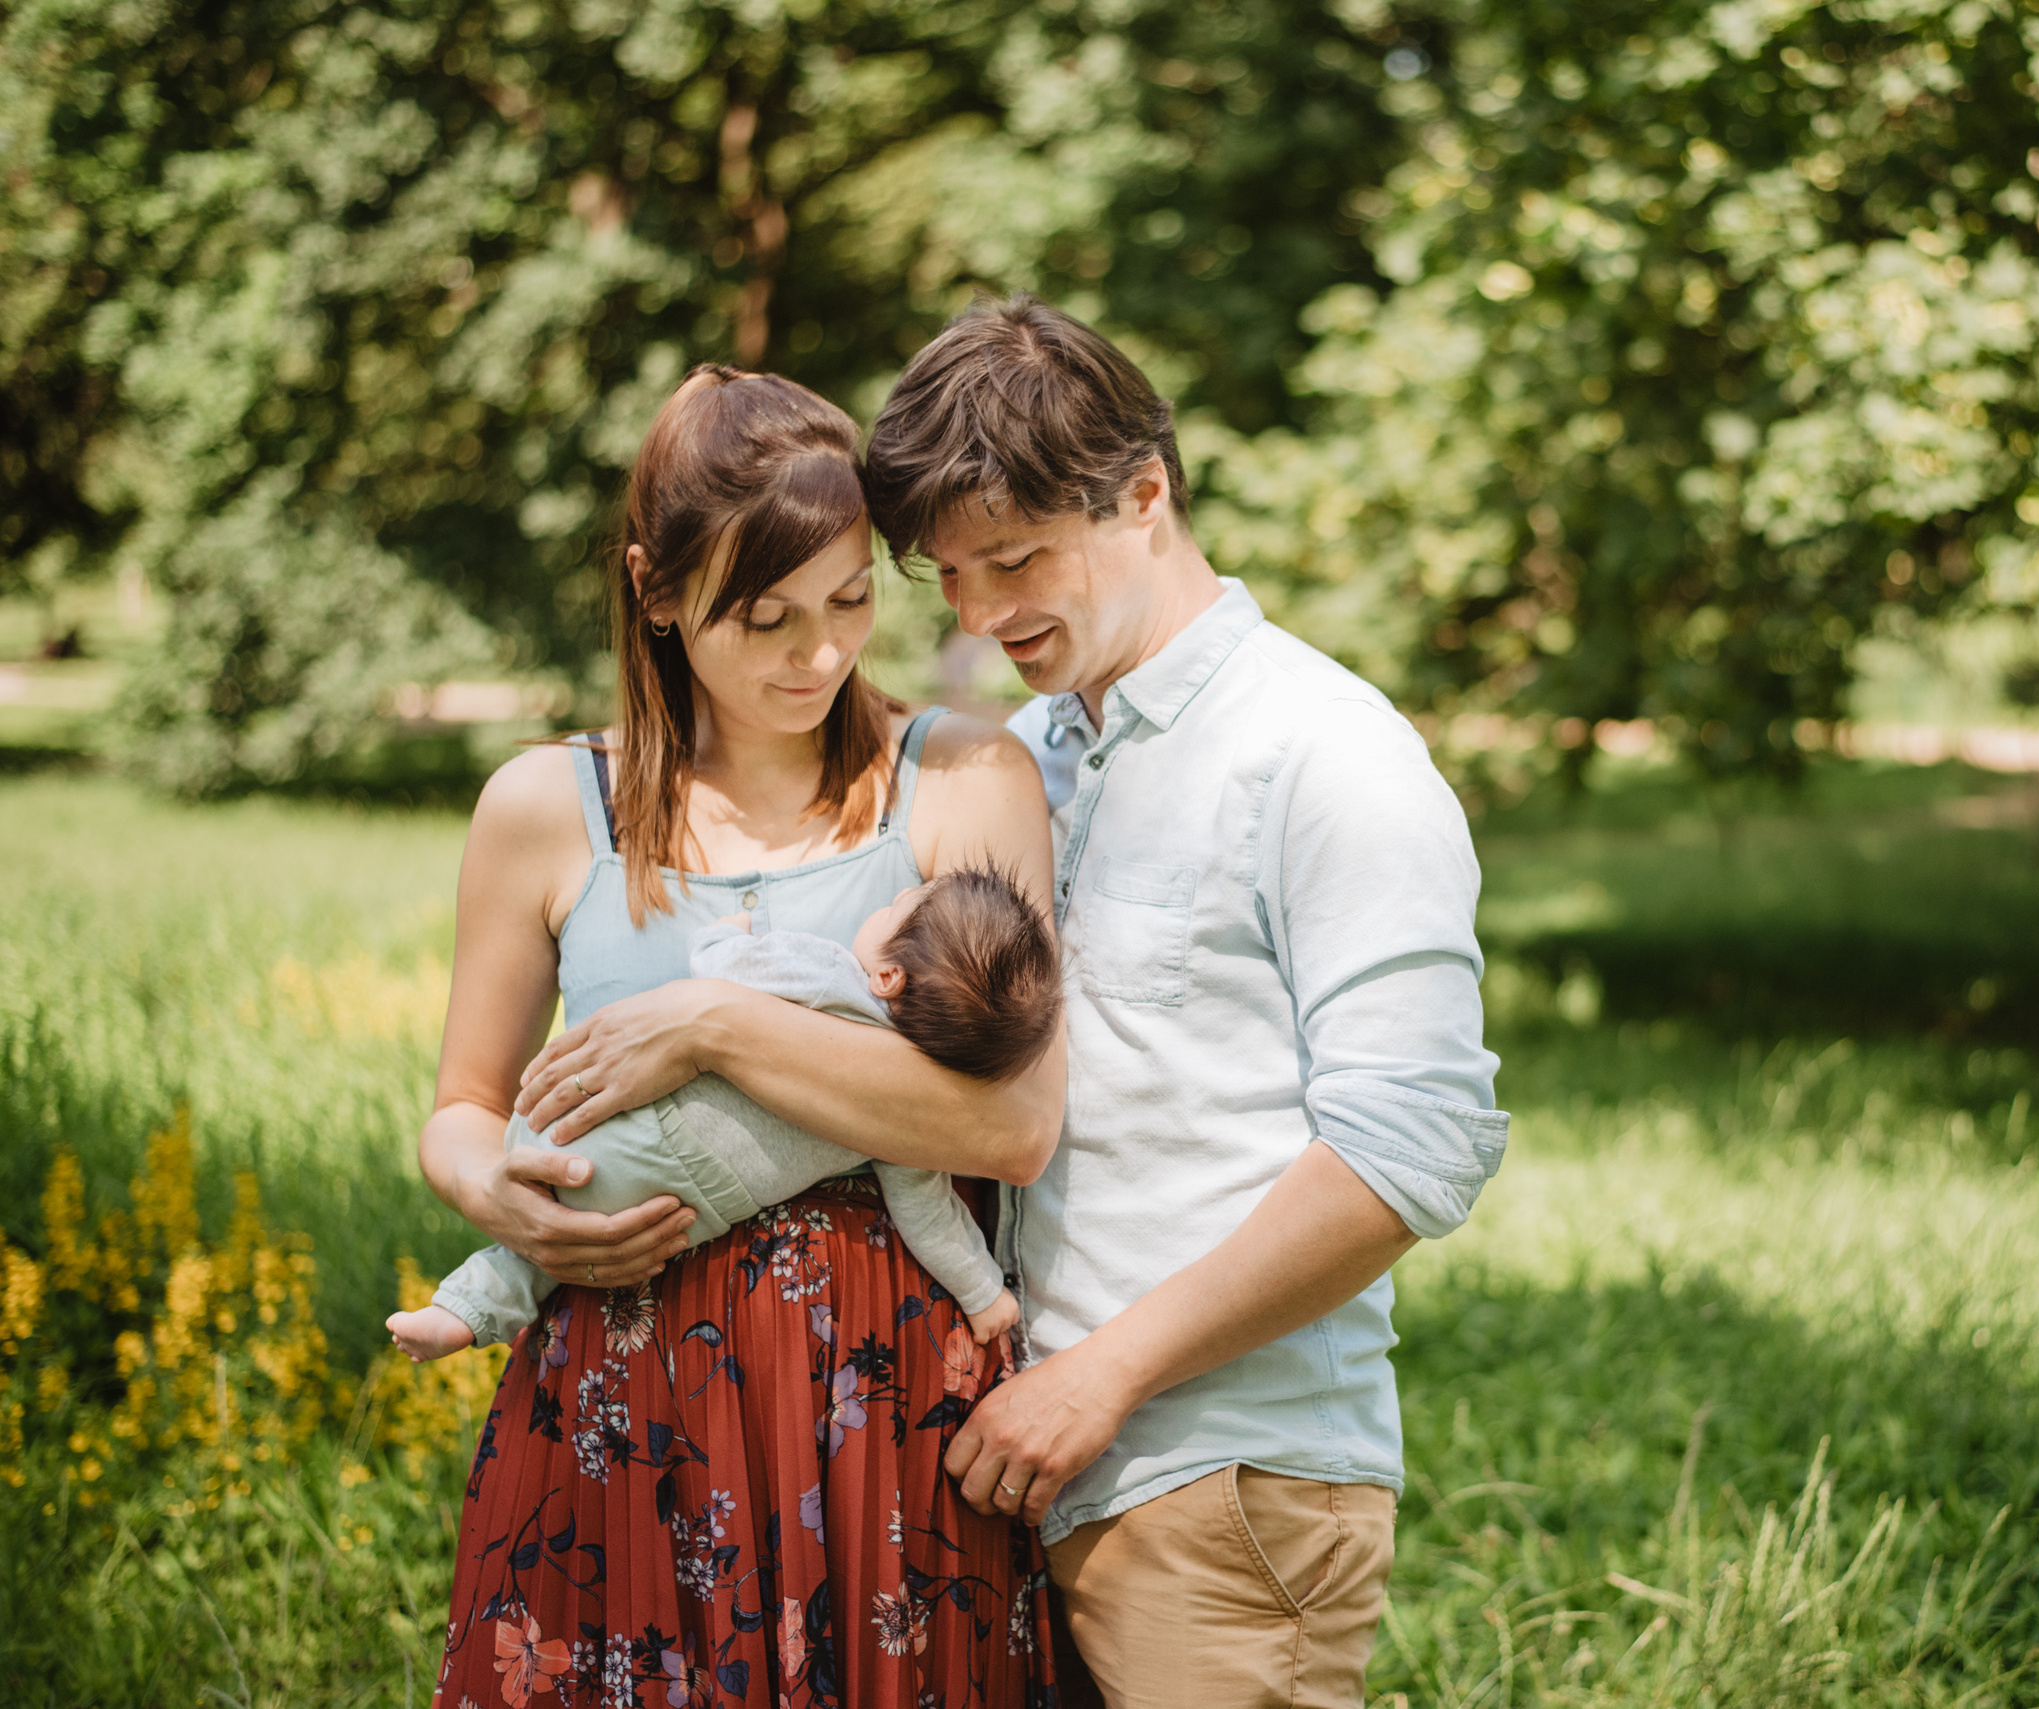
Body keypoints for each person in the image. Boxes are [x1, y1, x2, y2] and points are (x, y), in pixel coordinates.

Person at [864, 293, 1513, 1707]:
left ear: (1144, 492)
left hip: (1221, 1488)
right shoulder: (1029, 754)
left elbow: (1415, 1148)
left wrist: (1101, 1375)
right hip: (1018, 1470)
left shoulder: (1326, 756)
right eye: (948, 580)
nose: (979, 618)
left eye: (1016, 559)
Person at [417, 364, 1059, 1709]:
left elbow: (1009, 1124)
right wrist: (504, 1200)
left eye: (846, 602)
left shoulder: (959, 782)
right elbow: (465, 1104)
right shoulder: (546, 808)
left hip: (887, 1408)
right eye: (764, 617)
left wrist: (714, 1028)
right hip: (617, 1396)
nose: (818, 656)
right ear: (657, 592)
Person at [389, 867, 1056, 1364]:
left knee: (545, 1237)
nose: (883, 905)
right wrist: (983, 1294)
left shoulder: (828, 975)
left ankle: (455, 1308)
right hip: (681, 1208)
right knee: (556, 1252)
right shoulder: (902, 1117)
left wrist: (724, 931)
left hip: (589, 1132)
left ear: (887, 978)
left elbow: (719, 970)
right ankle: (462, 1315)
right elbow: (931, 1216)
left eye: (893, 908)